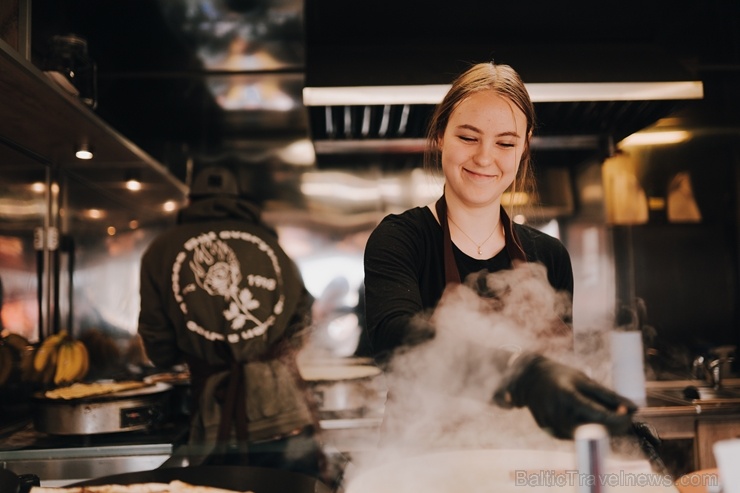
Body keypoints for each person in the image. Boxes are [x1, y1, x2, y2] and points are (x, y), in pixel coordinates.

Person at [362, 62, 637, 441]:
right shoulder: (402, 239)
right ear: (441, 135)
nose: (485, 157)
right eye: (468, 137)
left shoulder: (548, 255)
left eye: (505, 143)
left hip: (519, 458)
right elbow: (392, 338)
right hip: (420, 461)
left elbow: (559, 372)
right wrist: (519, 373)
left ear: (523, 148)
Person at [137, 166, 326, 479]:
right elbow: (302, 323)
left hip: (215, 422)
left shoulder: (159, 251)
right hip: (284, 413)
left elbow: (158, 347)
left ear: (190, 200)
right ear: (238, 200)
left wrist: (198, 355)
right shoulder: (272, 246)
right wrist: (265, 353)